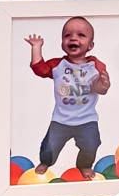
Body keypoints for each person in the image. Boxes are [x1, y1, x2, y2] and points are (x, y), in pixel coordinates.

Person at [26, 16, 110, 177]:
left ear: (90, 45)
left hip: (86, 119)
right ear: (62, 44)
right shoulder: (58, 65)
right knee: (49, 146)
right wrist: (36, 48)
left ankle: (84, 166)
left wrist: (104, 84)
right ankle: (45, 162)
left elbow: (98, 88)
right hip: (61, 119)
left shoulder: (95, 66)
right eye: (67, 35)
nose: (73, 38)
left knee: (91, 144)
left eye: (81, 35)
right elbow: (39, 68)